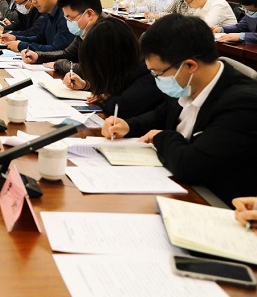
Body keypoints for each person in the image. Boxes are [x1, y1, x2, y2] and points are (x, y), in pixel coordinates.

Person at [102, 14, 257, 205]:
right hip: (178, 186)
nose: (157, 79)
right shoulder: (187, 83)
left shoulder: (243, 103)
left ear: (190, 65)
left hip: (216, 202)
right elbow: (160, 114)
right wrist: (128, 126)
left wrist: (161, 137)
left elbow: (190, 166)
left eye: (158, 73)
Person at [66, 18, 163, 118]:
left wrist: (104, 97)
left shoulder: (148, 73)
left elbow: (121, 106)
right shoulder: (127, 67)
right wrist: (86, 85)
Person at [21, 0, 105, 76]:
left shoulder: (106, 32)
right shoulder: (84, 30)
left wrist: (58, 64)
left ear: (89, 14)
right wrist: (38, 56)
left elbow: (91, 70)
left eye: (70, 18)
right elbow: (67, 54)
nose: (69, 22)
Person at [0, 0, 72, 53]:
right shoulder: (48, 12)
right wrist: (15, 38)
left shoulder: (66, 14)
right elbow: (40, 39)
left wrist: (21, 46)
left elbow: (57, 50)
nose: (33, 2)